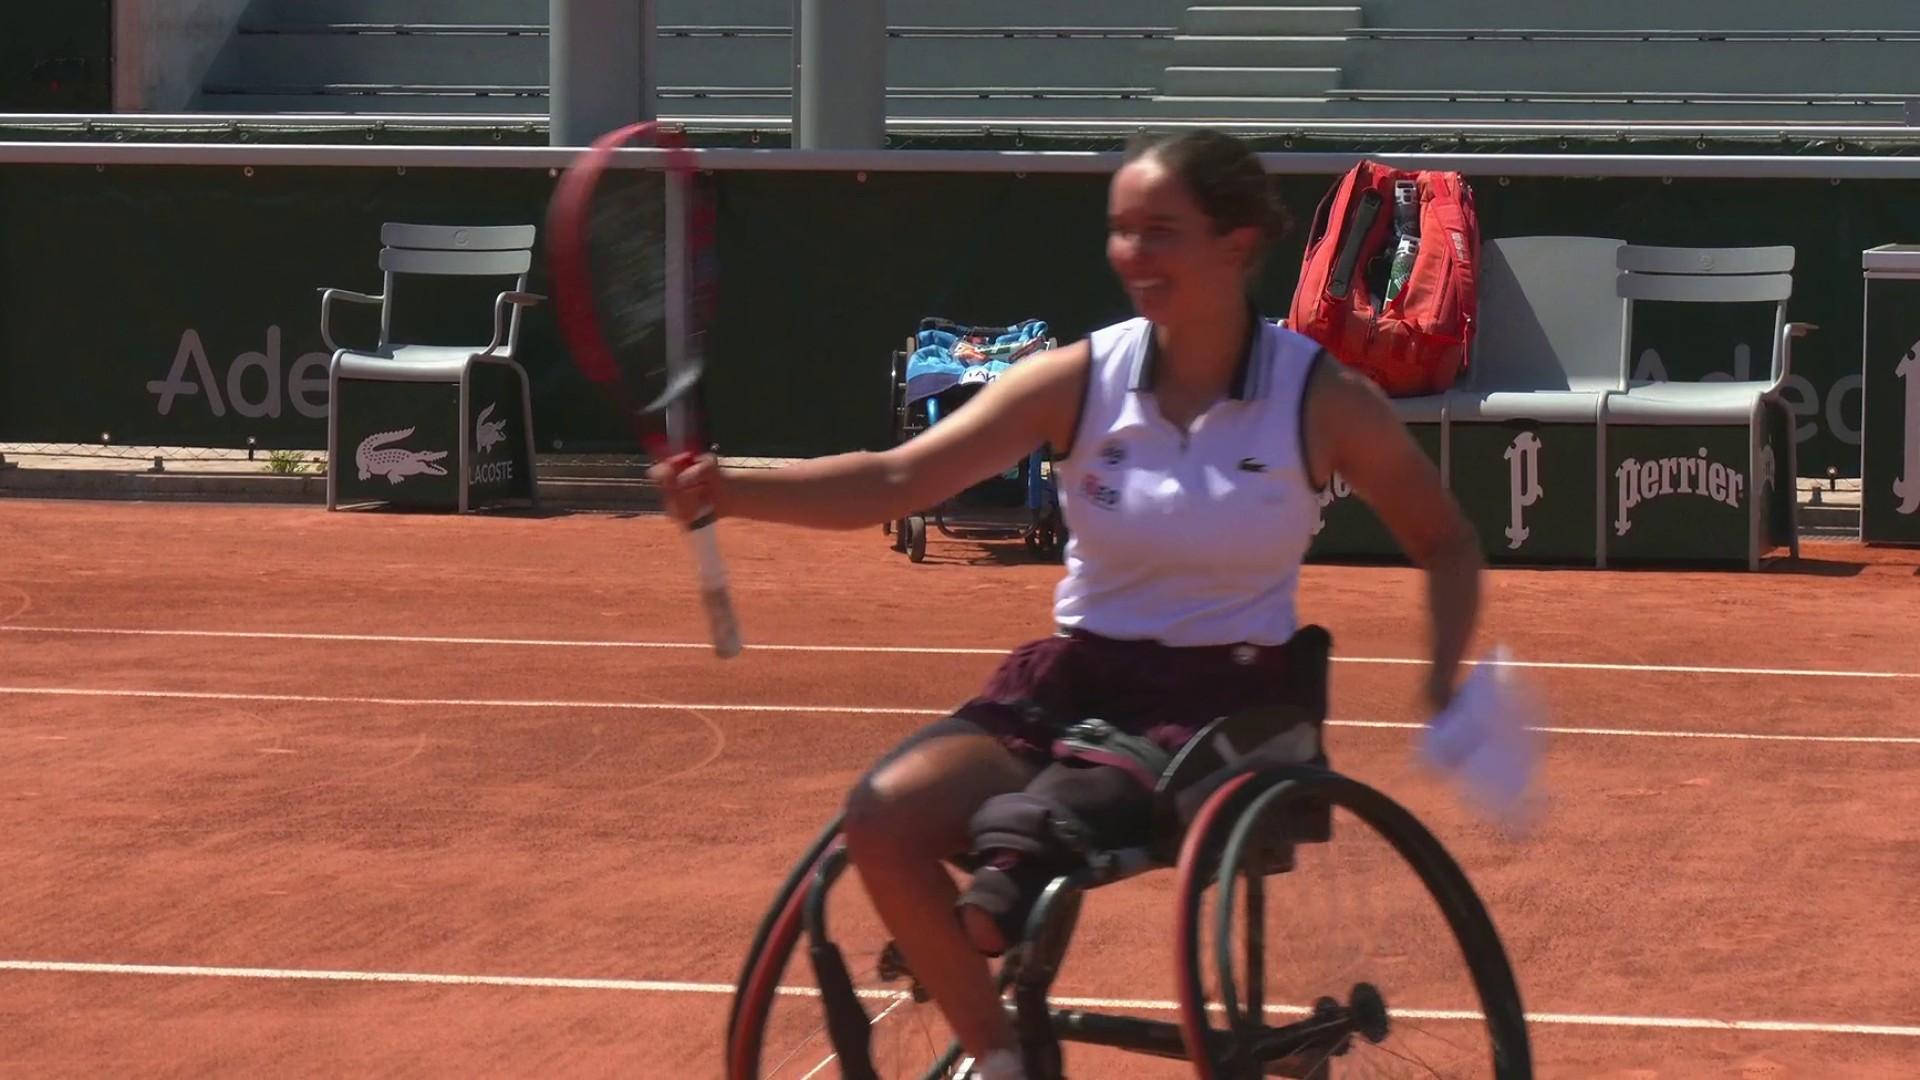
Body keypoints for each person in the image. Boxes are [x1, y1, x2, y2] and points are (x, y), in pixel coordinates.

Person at [653, 130, 1484, 1080]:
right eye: (1120, 231)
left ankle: (1002, 896)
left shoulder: (1319, 397)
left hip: (1229, 705)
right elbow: (895, 479)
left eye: (1160, 231)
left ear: (1238, 241)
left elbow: (1447, 540)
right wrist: (731, 487)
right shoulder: (1084, 378)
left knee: (1031, 842)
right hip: (1074, 679)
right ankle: (1006, 1060)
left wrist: (1442, 678)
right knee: (878, 819)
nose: (1133, 254)